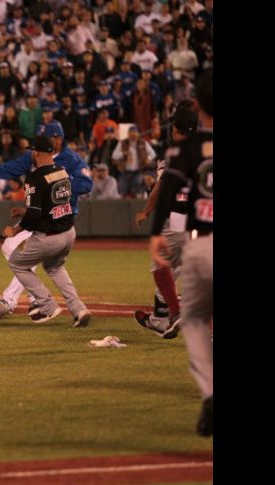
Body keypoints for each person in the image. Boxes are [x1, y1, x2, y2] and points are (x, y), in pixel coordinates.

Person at [0, 122, 92, 316]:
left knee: (19, 259)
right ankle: (76, 308)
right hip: (56, 222)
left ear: (57, 138)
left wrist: (56, 183)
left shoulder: (70, 161)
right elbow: (8, 169)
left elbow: (86, 184)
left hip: (54, 223)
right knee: (49, 265)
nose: (32, 153)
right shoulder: (36, 160)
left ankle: (31, 301)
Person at [149, 72, 213, 437]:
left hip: (201, 241)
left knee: (192, 319)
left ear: (200, 107)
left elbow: (168, 185)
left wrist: (155, 231)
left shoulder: (184, 150)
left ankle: (209, 396)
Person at [6, 135, 91, 327]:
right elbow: (51, 204)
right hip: (69, 232)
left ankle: (47, 305)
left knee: (17, 263)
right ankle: (79, 309)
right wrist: (26, 211)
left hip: (48, 237)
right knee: (54, 267)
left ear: (36, 152)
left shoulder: (34, 177)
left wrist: (16, 229)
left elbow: (35, 215)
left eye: (32, 151)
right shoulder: (62, 171)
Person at [134, 104, 197, 338]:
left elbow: (161, 187)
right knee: (179, 266)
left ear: (175, 128)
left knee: (160, 266)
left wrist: (146, 211)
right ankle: (159, 318)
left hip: (176, 216)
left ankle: (175, 312)